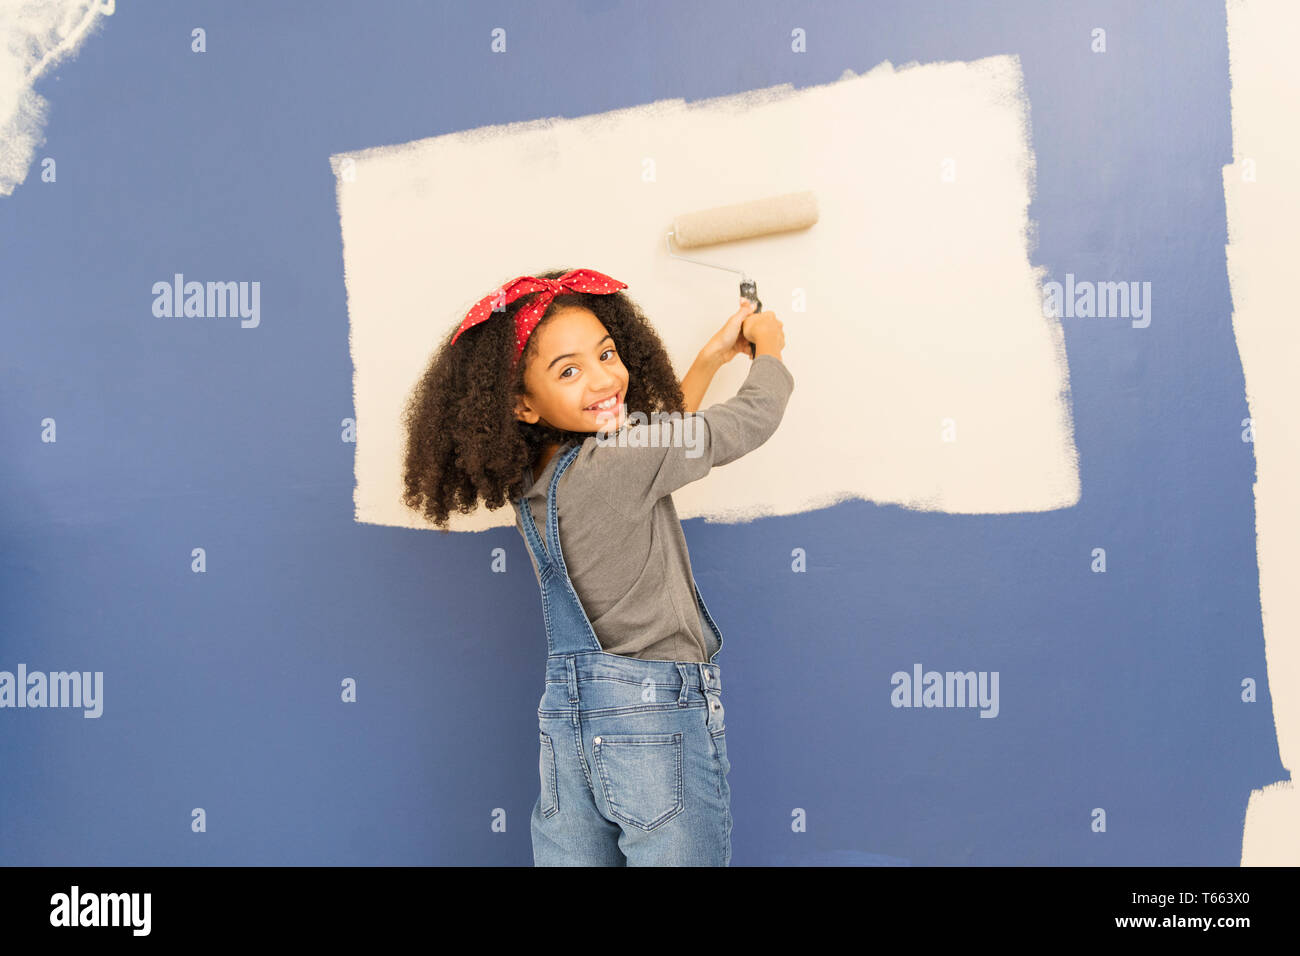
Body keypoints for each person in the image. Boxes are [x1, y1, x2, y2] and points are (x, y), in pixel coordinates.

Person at [401, 267, 793, 865]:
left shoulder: (535, 484)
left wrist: (712, 357)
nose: (606, 377)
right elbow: (749, 420)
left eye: (607, 353)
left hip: (569, 725)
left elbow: (657, 445)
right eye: (569, 370)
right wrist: (770, 350)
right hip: (656, 717)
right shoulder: (624, 460)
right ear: (524, 405)